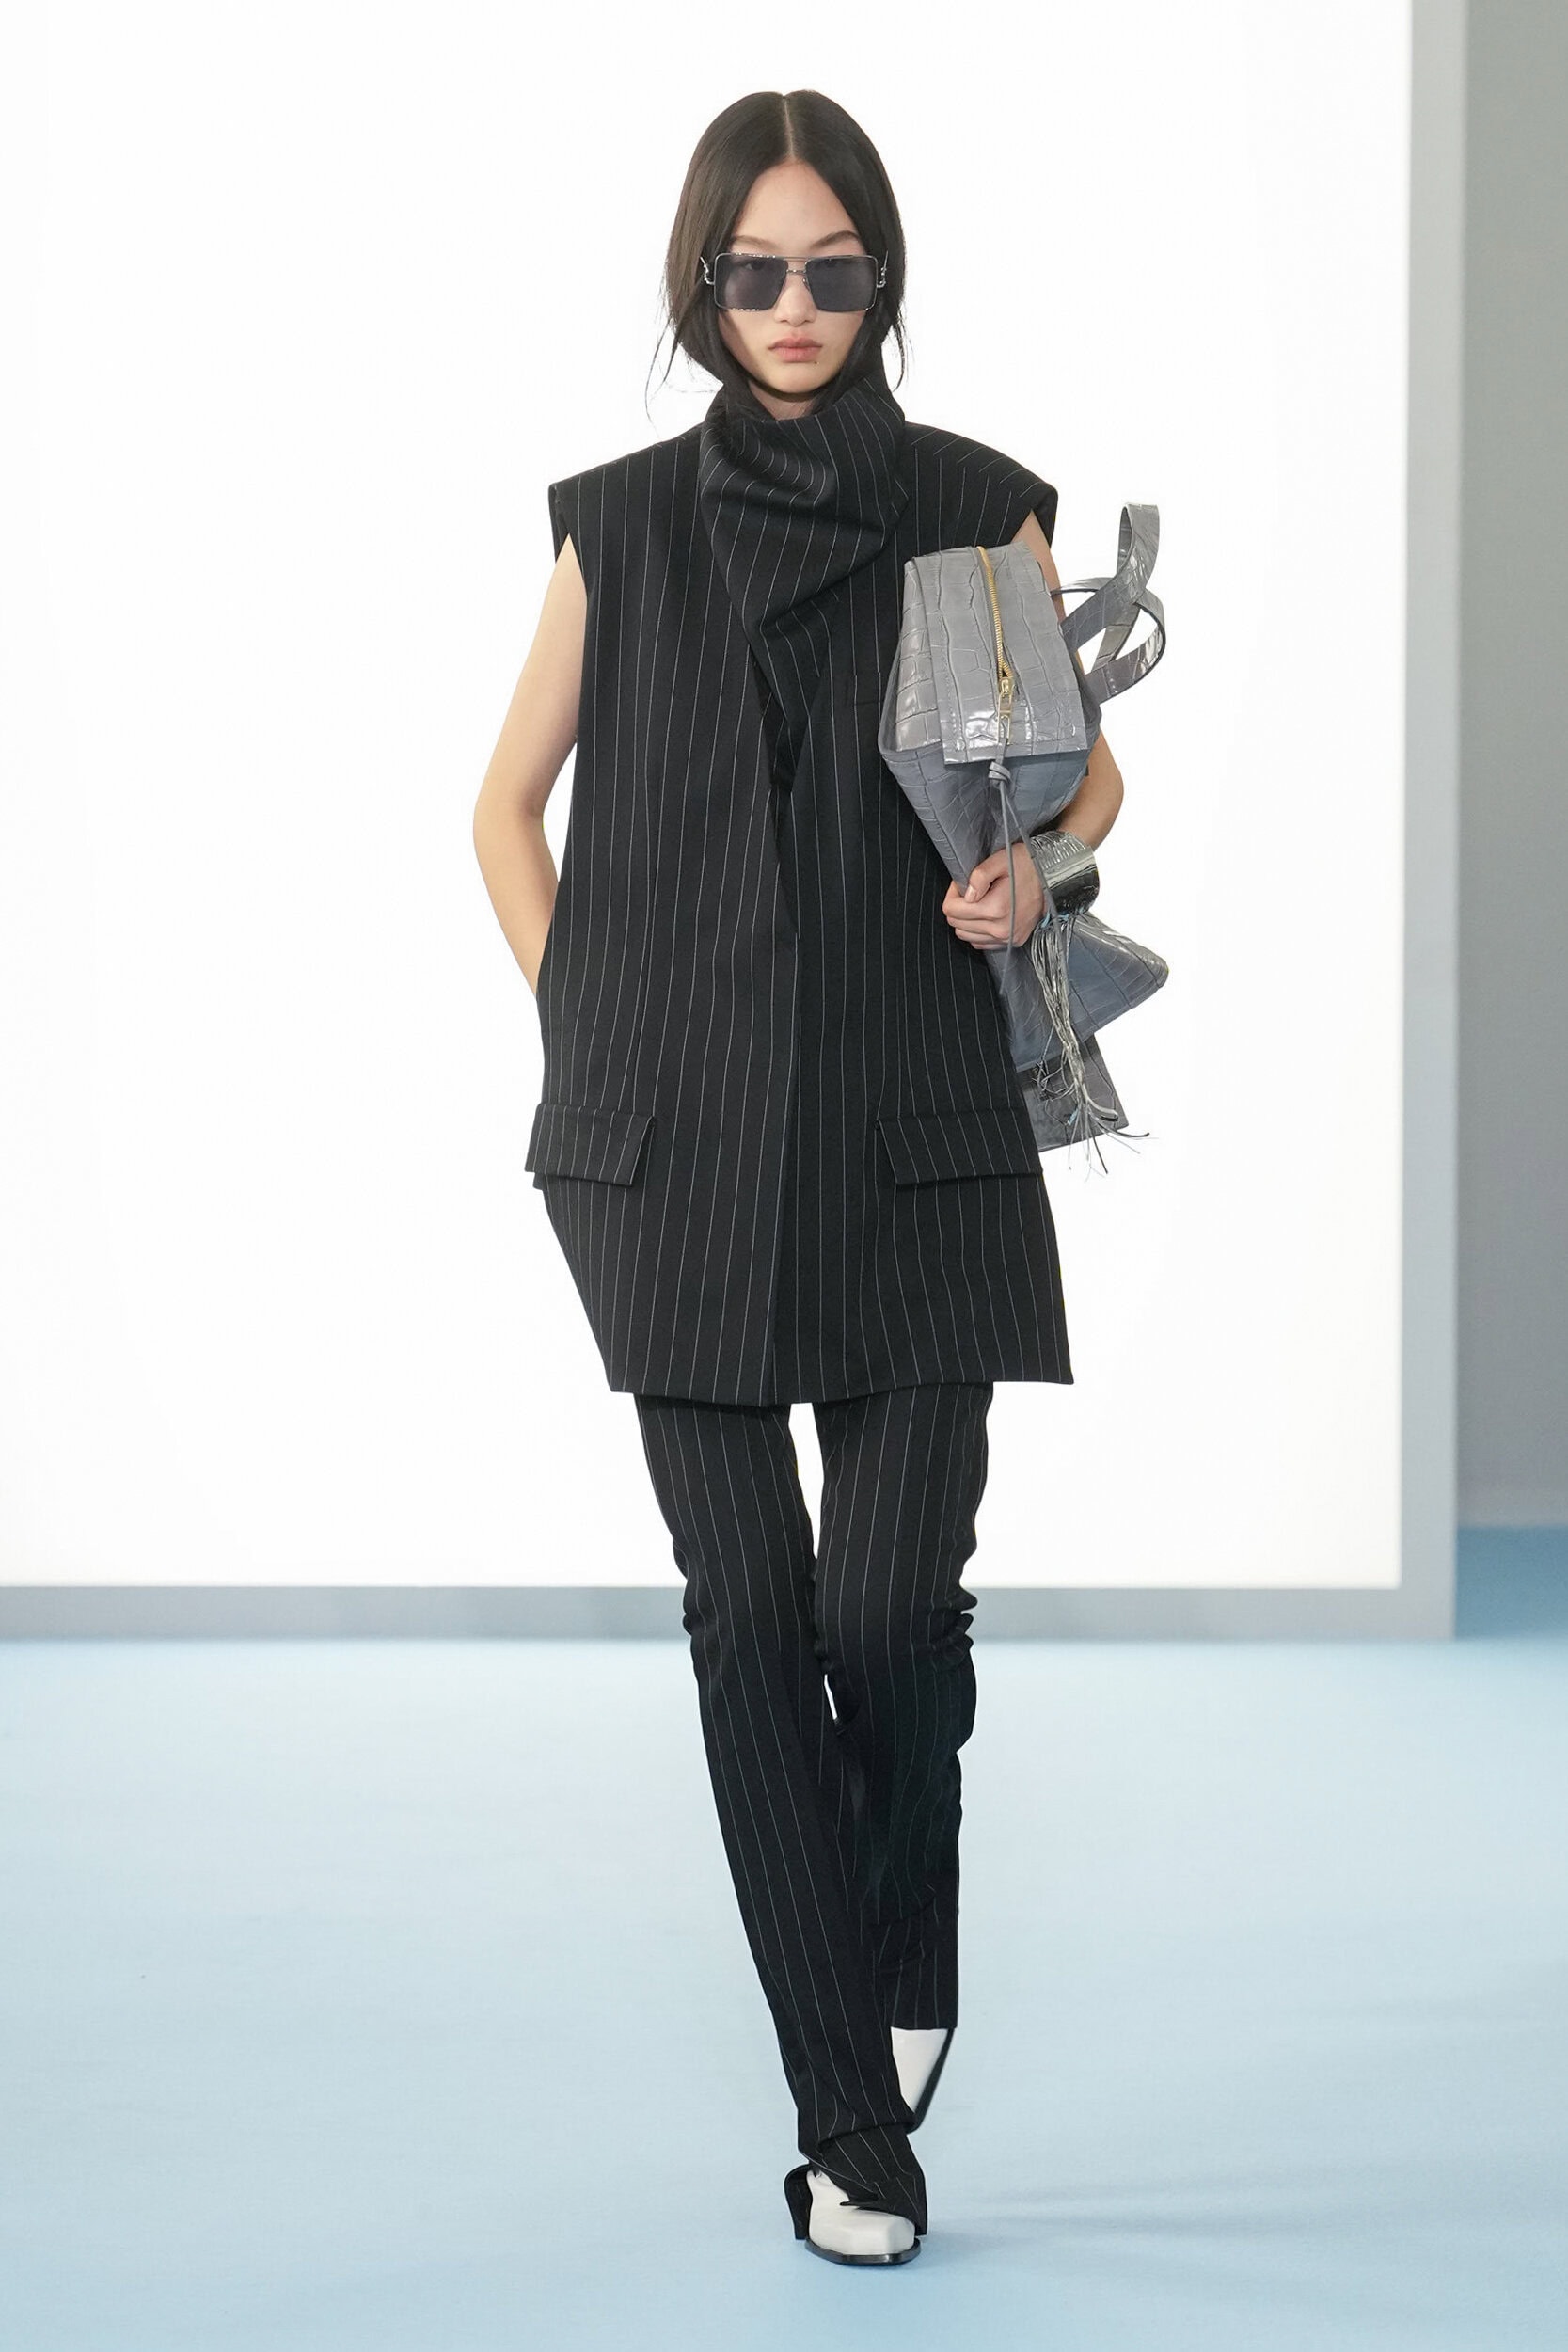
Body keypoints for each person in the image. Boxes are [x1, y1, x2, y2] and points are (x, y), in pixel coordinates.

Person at [472, 89, 1124, 2267]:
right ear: (700, 283)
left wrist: (1033, 869)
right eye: (752, 271)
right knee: (751, 1617)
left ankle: (905, 1913)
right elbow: (502, 809)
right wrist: (600, 1022)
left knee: (885, 1609)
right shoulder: (621, 529)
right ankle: (853, 2120)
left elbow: (1085, 777)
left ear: (882, 275)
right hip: (675, 1162)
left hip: (923, 1145)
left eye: (834, 268)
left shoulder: (969, 506)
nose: (793, 305)